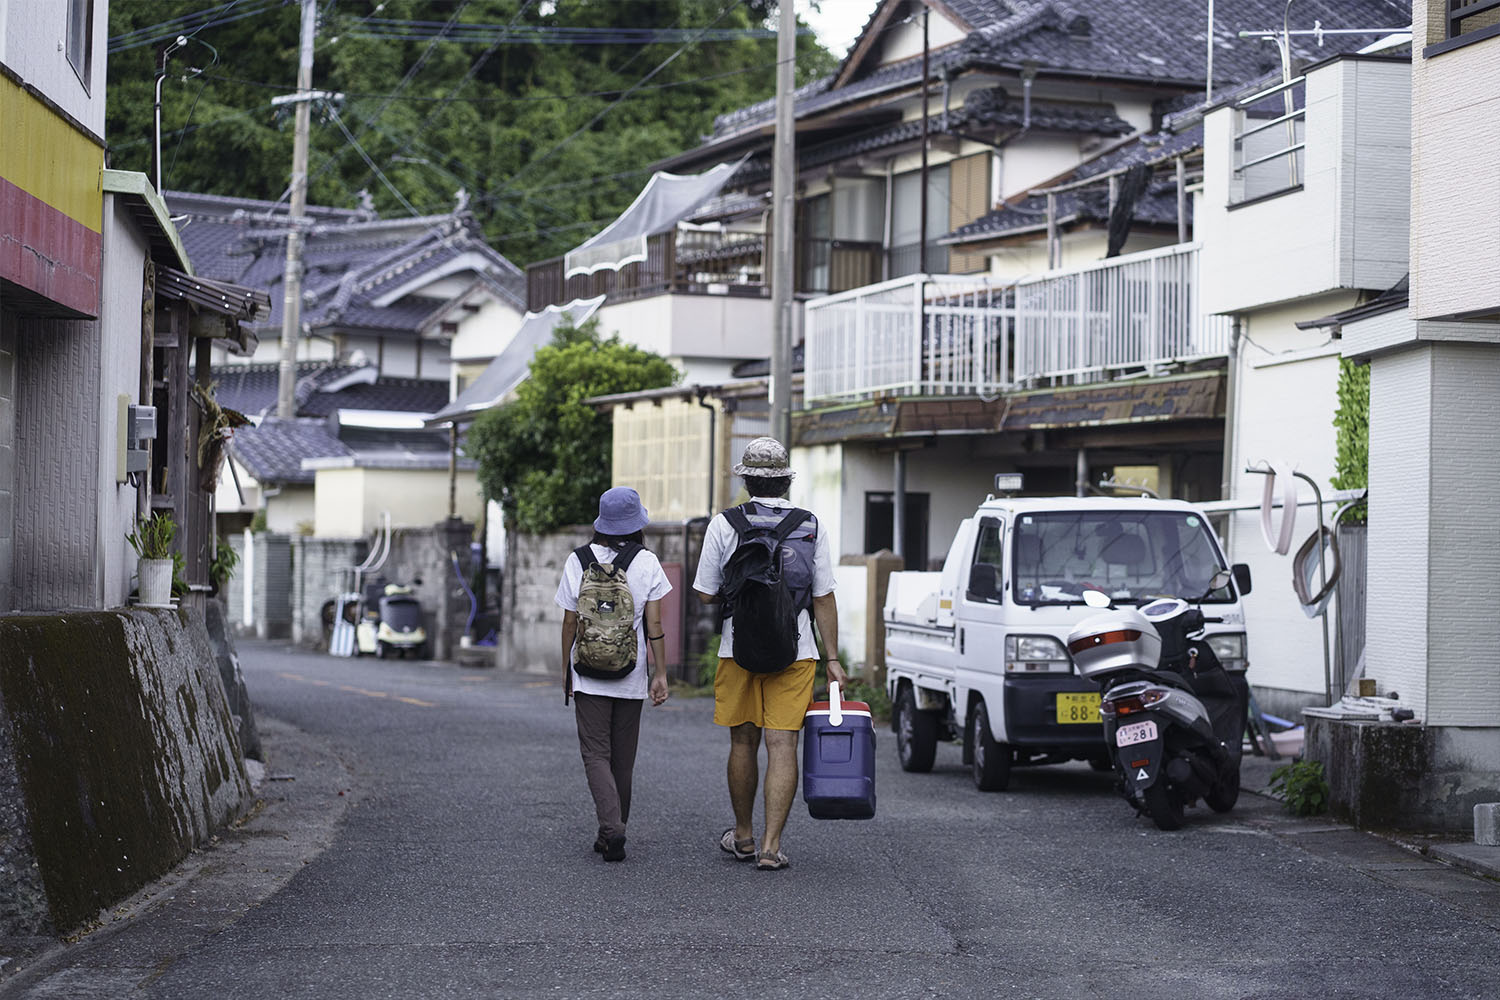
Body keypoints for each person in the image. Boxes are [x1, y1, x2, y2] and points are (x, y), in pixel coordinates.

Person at [693, 437, 844, 872]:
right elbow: (823, 596)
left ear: (746, 481)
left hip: (737, 647)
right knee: (783, 745)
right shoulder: (810, 525)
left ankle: (742, 835)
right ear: (785, 481)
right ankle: (771, 847)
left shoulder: (725, 524)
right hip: (797, 651)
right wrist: (833, 659)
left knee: (743, 741)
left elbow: (705, 594)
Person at [556, 486, 671, 863]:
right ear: (637, 524)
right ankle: (614, 827)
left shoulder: (578, 560)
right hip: (631, 672)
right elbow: (655, 625)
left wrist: (565, 668)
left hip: (588, 671)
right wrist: (660, 673)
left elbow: (569, 622)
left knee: (595, 754)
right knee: (623, 759)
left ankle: (611, 828)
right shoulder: (647, 562)